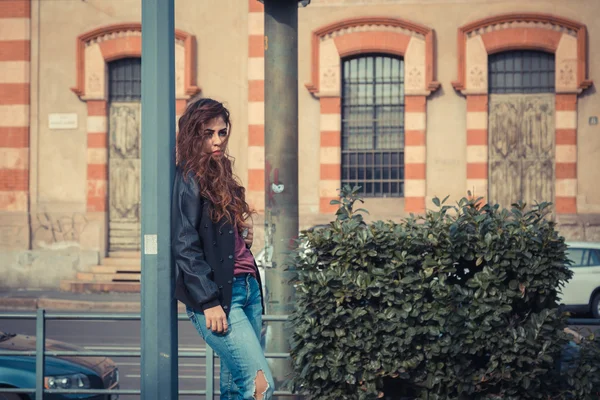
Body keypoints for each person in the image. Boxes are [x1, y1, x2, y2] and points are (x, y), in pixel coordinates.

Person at [171, 98, 274, 399]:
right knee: (260, 386)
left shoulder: (220, 173)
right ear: (194, 135)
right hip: (219, 297)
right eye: (208, 133)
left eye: (222, 132)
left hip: (248, 288)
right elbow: (185, 243)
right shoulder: (189, 178)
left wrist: (242, 233)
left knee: (234, 389)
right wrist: (208, 300)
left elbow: (217, 233)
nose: (217, 141)